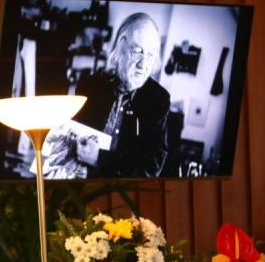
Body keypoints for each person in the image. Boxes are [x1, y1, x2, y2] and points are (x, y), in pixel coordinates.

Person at [42, 12, 170, 178]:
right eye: (137, 51)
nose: (143, 64)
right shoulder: (90, 84)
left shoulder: (158, 100)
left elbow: (150, 168)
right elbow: (68, 138)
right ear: (119, 49)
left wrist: (99, 158)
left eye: (150, 54)